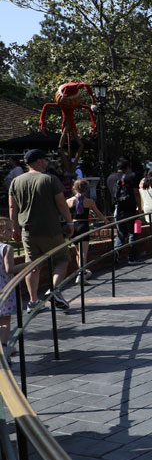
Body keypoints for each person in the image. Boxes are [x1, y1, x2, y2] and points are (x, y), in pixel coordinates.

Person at [9, 149, 74, 310]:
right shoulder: (50, 179)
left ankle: (33, 301)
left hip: (28, 231)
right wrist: (70, 222)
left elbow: (12, 207)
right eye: (45, 159)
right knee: (62, 259)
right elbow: (61, 203)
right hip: (51, 229)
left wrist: (14, 229)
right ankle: (53, 290)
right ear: (38, 161)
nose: (47, 162)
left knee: (32, 265)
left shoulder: (16, 182)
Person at [66, 178, 110, 284]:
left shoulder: (69, 201)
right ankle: (81, 275)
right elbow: (98, 214)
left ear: (74, 188)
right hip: (83, 226)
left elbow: (65, 215)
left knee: (78, 253)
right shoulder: (89, 201)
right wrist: (106, 221)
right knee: (83, 253)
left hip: (74, 226)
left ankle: (82, 272)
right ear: (85, 189)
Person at [111, 159, 142, 264]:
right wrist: (140, 207)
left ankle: (116, 256)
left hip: (117, 210)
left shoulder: (110, 177)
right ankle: (133, 257)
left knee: (120, 233)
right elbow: (136, 193)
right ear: (127, 168)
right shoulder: (131, 176)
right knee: (135, 232)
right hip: (132, 210)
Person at [0, 229, 22, 357]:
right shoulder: (7, 248)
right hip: (4, 288)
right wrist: (28, 264)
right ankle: (4, 347)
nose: (11, 232)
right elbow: (9, 269)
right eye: (8, 229)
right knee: (4, 320)